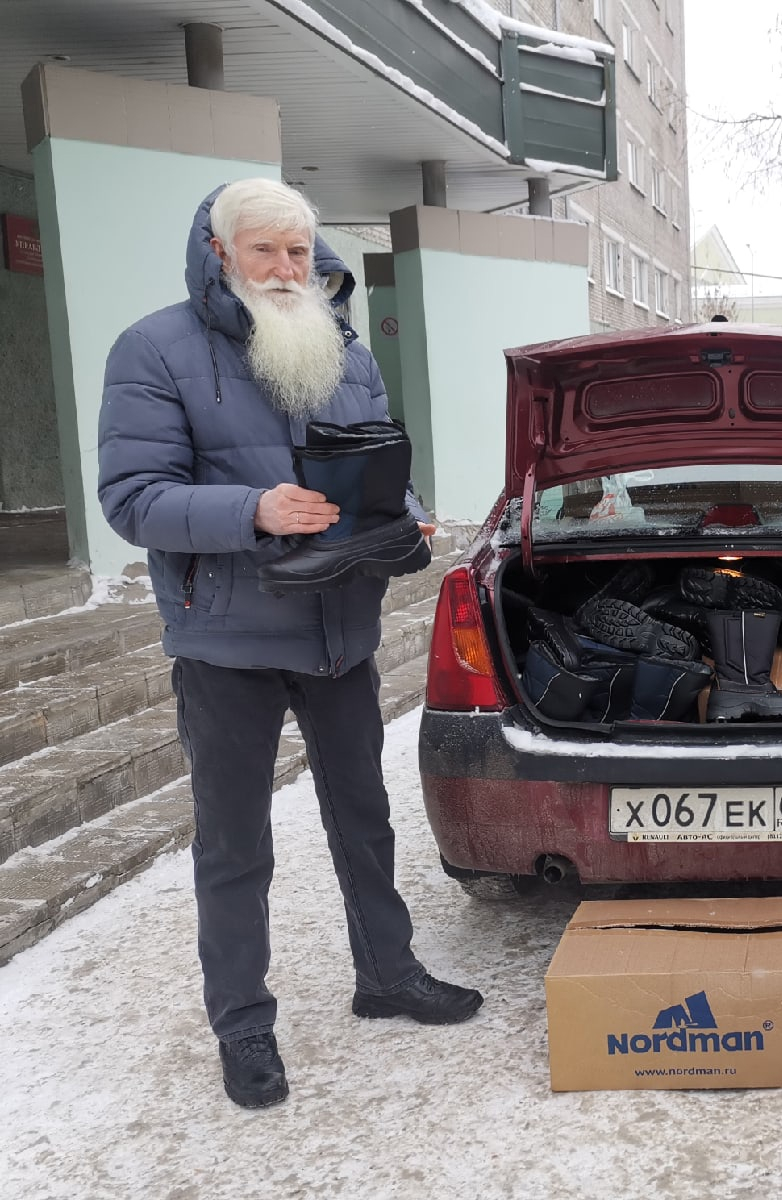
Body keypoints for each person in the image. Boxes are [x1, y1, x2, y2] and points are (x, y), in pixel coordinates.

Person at [98, 179, 483, 1111]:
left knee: (365, 820)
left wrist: (411, 517)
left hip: (338, 630)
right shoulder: (154, 348)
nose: (284, 269)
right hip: (226, 641)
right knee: (237, 846)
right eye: (263, 250)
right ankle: (243, 1023)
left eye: (298, 252)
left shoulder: (344, 349)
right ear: (220, 252)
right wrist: (252, 510)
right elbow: (132, 498)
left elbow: (379, 463)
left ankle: (386, 973)